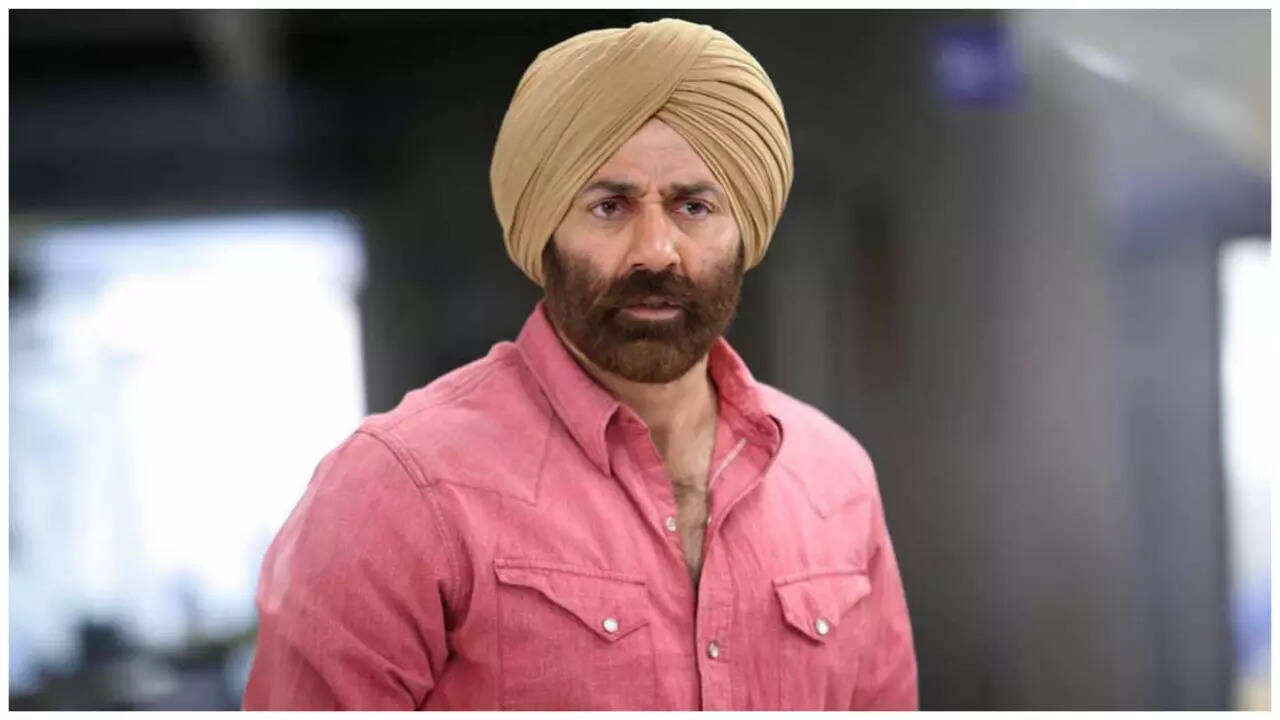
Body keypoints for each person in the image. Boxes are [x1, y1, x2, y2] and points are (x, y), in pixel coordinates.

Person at [242, 17, 917, 711]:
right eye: (609, 206)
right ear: (546, 235)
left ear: (745, 230)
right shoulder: (398, 488)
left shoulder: (834, 478)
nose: (656, 250)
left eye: (694, 206)